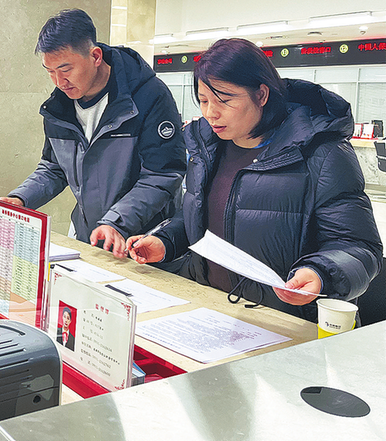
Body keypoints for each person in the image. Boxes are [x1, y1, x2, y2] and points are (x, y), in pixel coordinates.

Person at [128, 38, 383, 321]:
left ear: (261, 95)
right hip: (210, 310)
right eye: (203, 101)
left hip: (285, 321)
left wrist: (321, 273)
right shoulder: (207, 148)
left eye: (225, 100)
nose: (211, 113)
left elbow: (358, 246)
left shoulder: (322, 153)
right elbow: (205, 217)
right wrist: (165, 240)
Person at [0, 8, 186, 256]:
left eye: (66, 69)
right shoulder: (59, 107)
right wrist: (21, 199)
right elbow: (54, 168)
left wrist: (116, 222)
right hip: (92, 238)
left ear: (96, 56)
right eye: (50, 72)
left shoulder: (149, 97)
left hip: (144, 244)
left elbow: (162, 175)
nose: (59, 82)